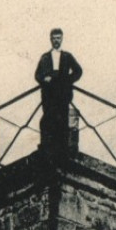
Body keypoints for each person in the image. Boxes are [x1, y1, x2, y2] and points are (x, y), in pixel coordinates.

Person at [34, 28, 82, 157]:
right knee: (48, 119)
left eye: (58, 38)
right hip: (49, 94)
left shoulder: (67, 56)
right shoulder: (44, 57)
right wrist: (44, 79)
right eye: (54, 38)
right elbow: (37, 75)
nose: (56, 41)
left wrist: (67, 81)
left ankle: (62, 149)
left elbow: (78, 71)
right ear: (50, 39)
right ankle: (47, 147)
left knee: (62, 119)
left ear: (62, 39)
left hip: (62, 93)